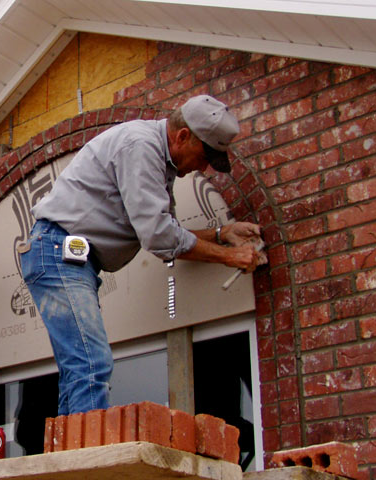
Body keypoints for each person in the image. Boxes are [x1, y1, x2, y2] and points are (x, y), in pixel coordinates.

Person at [19, 95, 265, 416]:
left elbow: (167, 229)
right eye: (205, 156)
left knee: (80, 369)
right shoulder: (140, 146)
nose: (204, 167)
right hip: (58, 252)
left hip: (65, 255)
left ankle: (72, 450)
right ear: (182, 136)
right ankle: (92, 462)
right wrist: (229, 257)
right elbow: (160, 236)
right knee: (91, 363)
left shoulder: (159, 160)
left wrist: (222, 234)